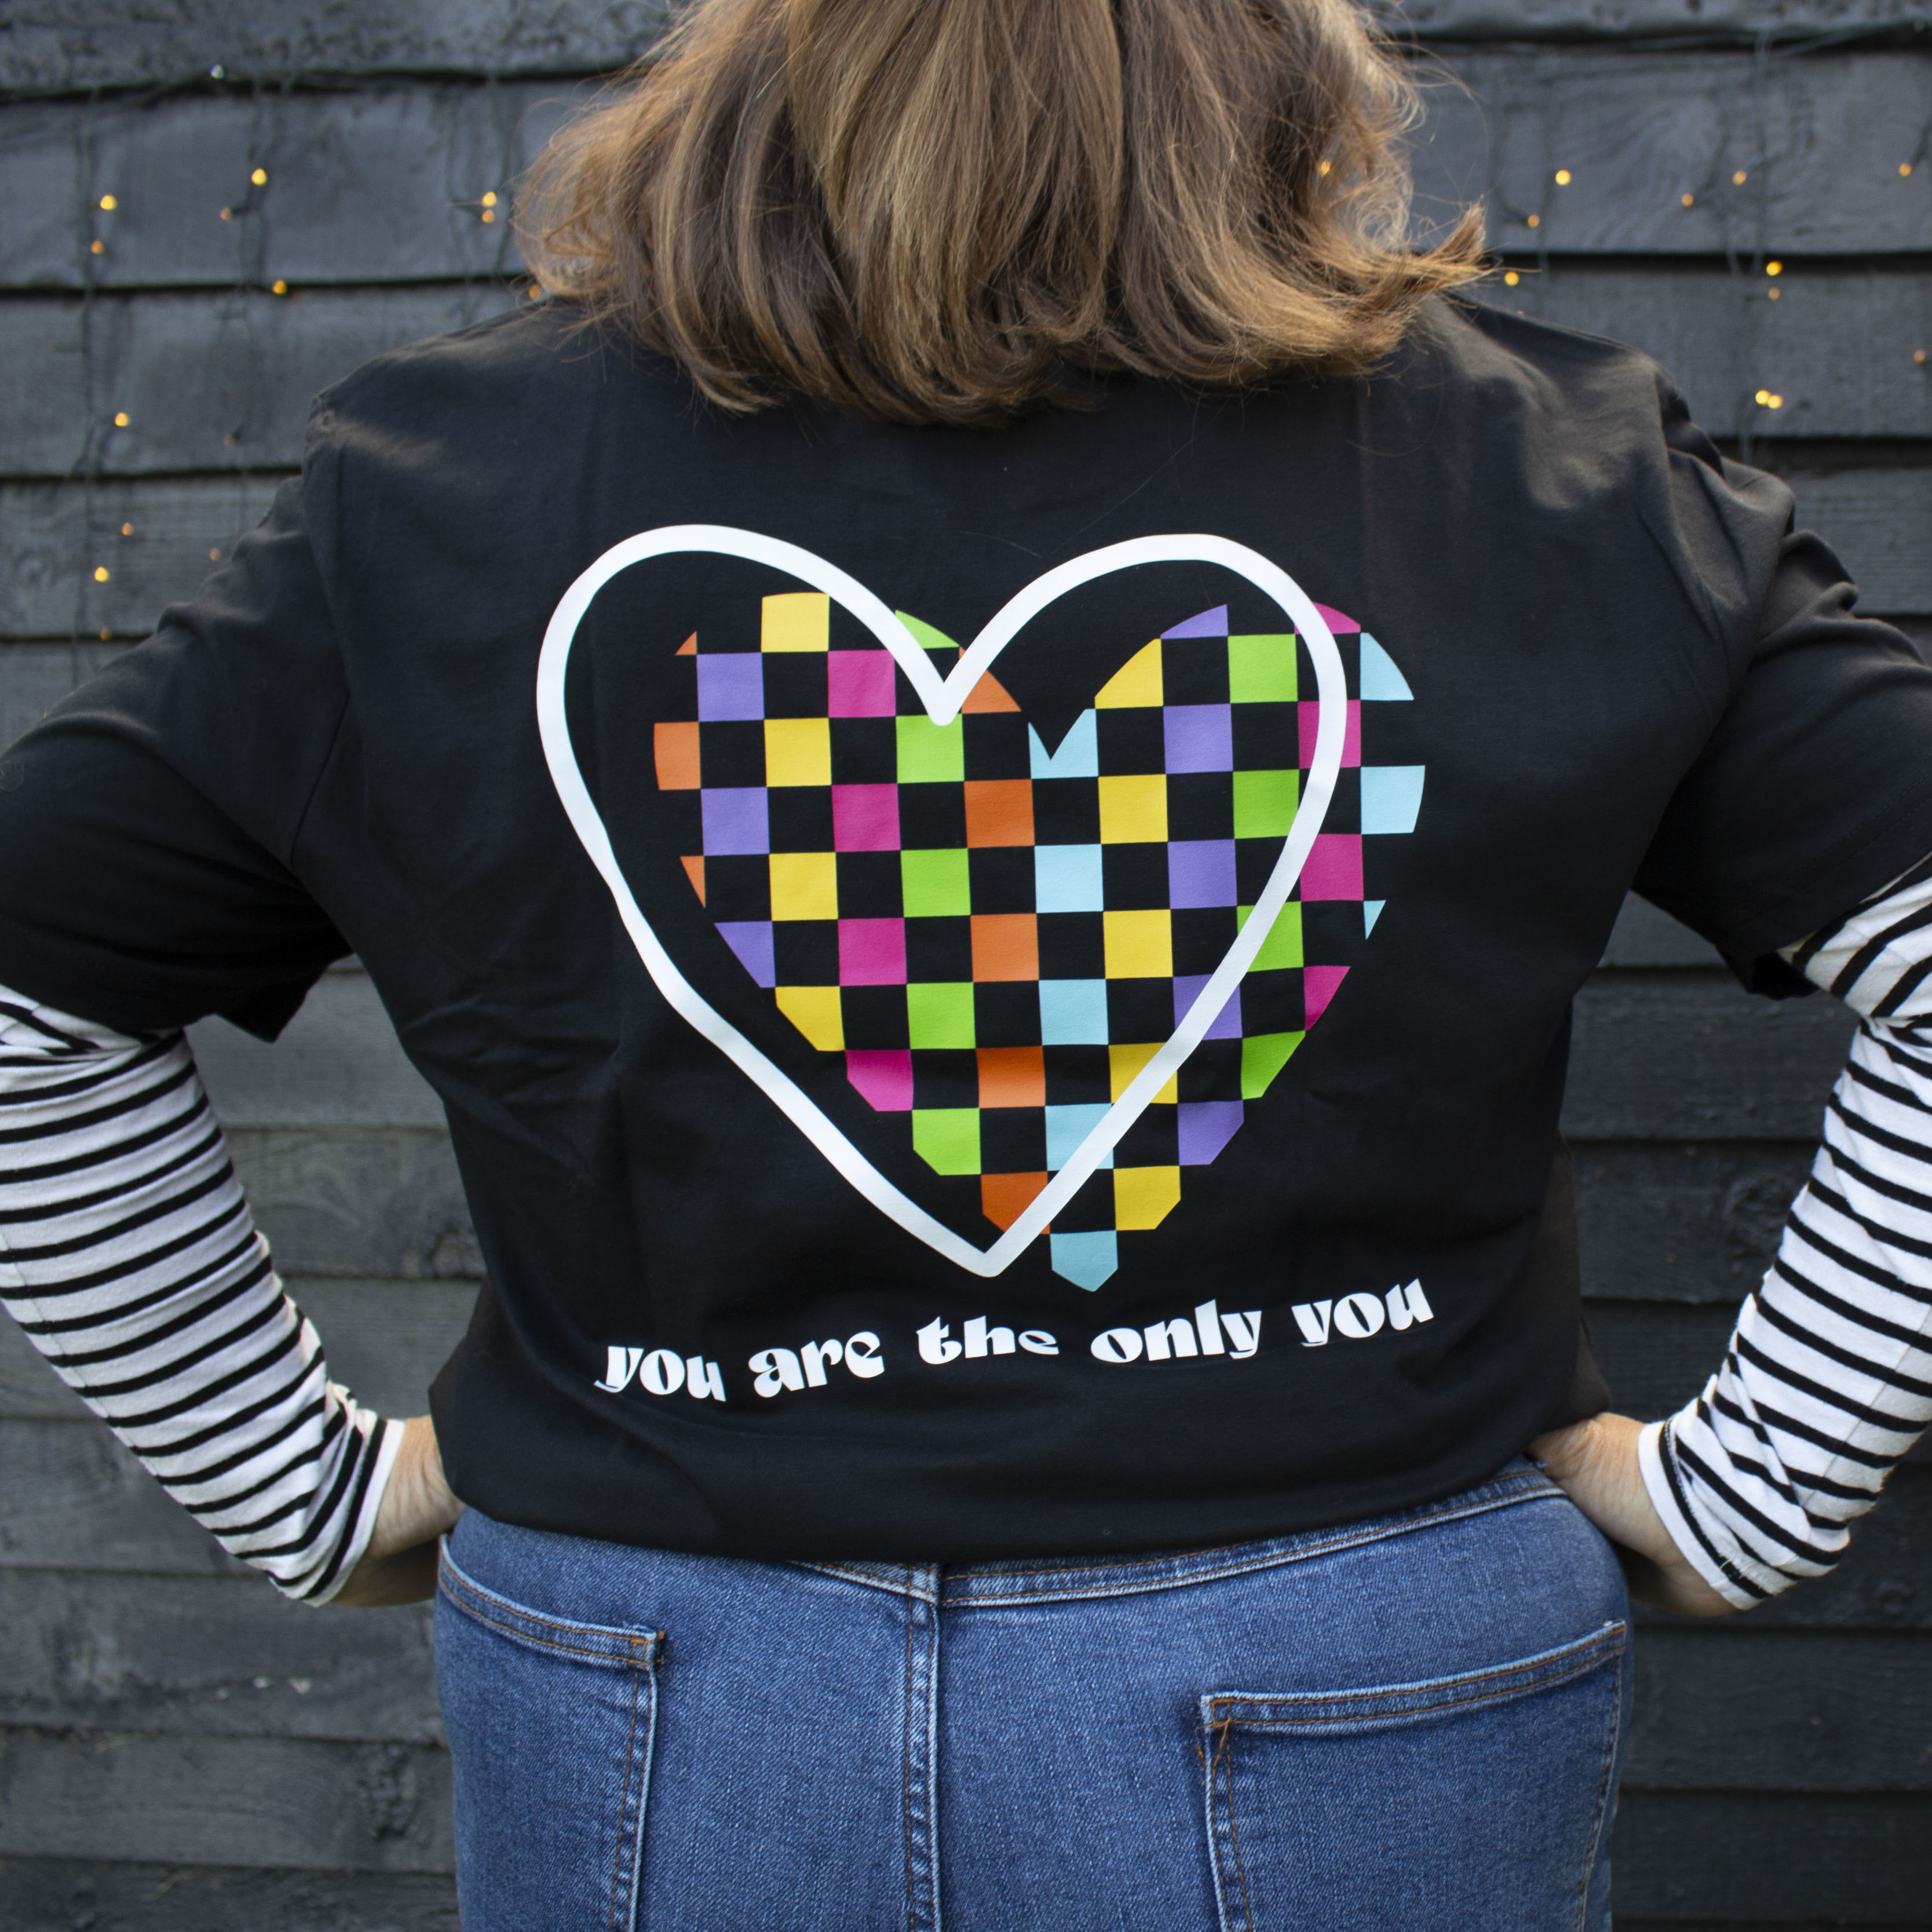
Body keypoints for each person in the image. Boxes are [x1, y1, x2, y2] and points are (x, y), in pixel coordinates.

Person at [1, 0, 1928, 1924]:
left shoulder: (437, 486)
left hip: (659, 1673)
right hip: (1355, 1653)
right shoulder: (1545, 465)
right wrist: (1747, 1493)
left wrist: (302, 1495)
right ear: (1276, 87)